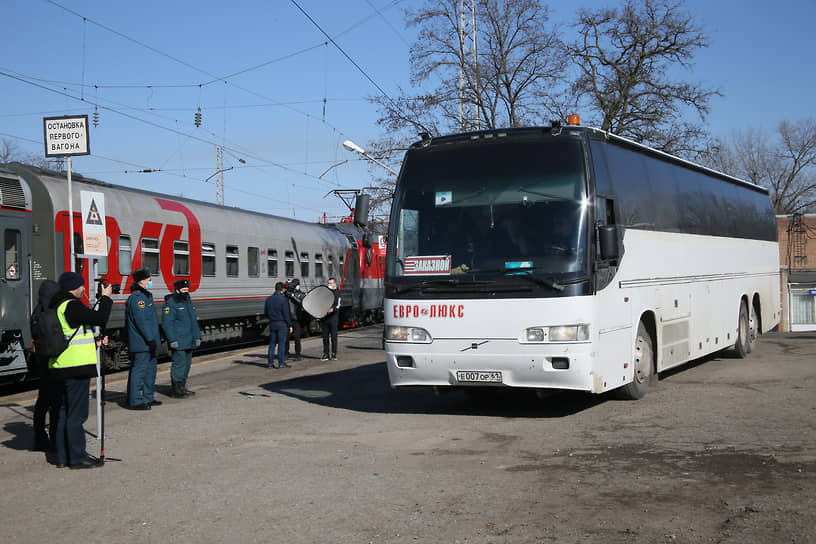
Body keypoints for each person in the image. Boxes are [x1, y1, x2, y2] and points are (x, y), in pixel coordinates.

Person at [48, 271, 113, 469]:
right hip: (75, 368)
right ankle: (77, 457)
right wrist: (106, 298)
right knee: (76, 415)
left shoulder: (57, 305)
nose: (84, 289)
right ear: (75, 287)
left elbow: (72, 335)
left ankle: (60, 456)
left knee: (63, 412)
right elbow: (100, 318)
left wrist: (95, 342)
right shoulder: (71, 305)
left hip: (60, 366)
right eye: (82, 286)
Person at [29, 279, 62, 452]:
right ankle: (56, 441)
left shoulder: (36, 312)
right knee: (56, 403)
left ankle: (39, 438)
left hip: (41, 360)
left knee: (42, 401)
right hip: (54, 362)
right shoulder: (53, 312)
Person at [125, 268, 162, 410]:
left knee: (150, 370)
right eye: (149, 280)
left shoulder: (146, 296)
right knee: (139, 370)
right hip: (142, 342)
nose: (150, 282)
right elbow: (142, 321)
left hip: (149, 341)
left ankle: (148, 397)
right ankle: (135, 400)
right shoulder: (138, 298)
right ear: (141, 281)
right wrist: (150, 338)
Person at [161, 279, 202, 398]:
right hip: (179, 340)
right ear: (177, 290)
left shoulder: (188, 301)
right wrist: (172, 339)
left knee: (187, 365)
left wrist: (197, 337)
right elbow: (167, 324)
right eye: (183, 290)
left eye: (187, 290)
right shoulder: (170, 303)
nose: (186, 292)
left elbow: (193, 321)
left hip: (189, 339)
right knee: (179, 365)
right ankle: (176, 390)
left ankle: (182, 387)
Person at [264, 282, 292, 369]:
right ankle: (281, 363)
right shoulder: (283, 300)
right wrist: (290, 324)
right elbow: (286, 314)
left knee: (272, 344)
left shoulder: (268, 299)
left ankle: (270, 363)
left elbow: (266, 313)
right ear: (282, 290)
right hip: (282, 324)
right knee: (281, 344)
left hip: (272, 323)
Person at [284, 279, 306, 361]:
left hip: (297, 319)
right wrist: (287, 294)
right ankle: (286, 353)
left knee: (297, 338)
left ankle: (298, 354)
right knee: (286, 338)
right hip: (288, 318)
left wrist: (293, 296)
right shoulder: (286, 294)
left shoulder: (299, 293)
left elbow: (301, 302)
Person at [320, 277, 341, 361]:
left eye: (331, 283)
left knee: (333, 337)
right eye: (328, 283)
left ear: (335, 283)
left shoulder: (337, 293)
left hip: (333, 318)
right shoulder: (326, 292)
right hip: (325, 318)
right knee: (325, 337)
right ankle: (325, 353)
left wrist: (333, 309)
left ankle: (334, 353)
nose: (329, 285)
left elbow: (338, 305)